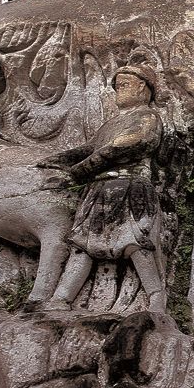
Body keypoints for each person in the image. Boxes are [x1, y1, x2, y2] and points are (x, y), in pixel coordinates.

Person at [38, 64, 166, 312]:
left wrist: (79, 171)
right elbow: (88, 148)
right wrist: (53, 161)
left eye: (124, 85)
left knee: (137, 244)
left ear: (142, 87)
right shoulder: (111, 123)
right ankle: (61, 298)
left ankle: (156, 298)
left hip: (130, 186)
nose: (119, 90)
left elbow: (123, 146)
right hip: (98, 190)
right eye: (117, 86)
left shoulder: (148, 117)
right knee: (82, 245)